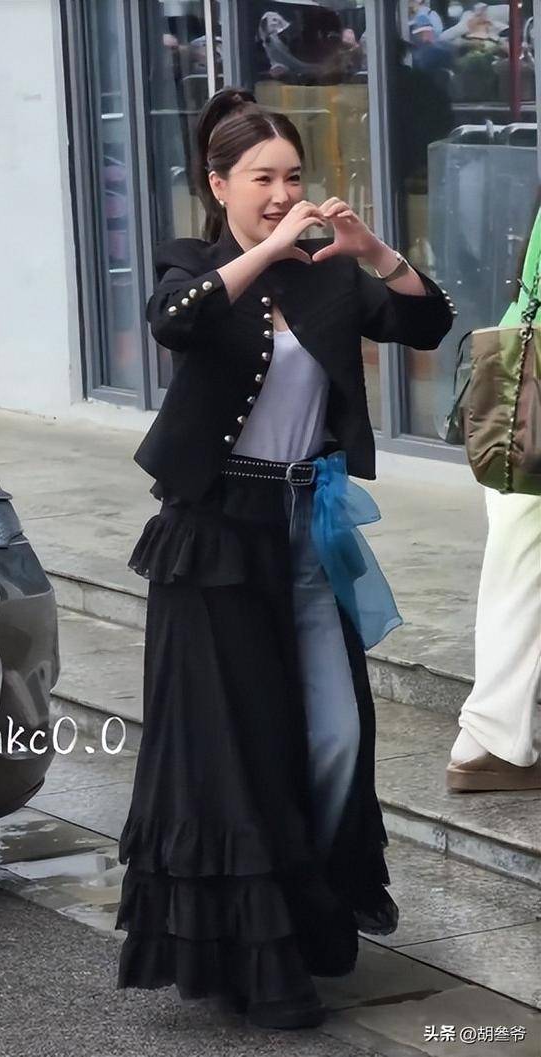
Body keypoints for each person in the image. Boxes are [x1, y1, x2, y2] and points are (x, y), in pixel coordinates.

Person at [115, 87, 454, 1030]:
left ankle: (312, 907)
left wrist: (372, 250)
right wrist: (266, 252)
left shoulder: (330, 275)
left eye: (293, 176)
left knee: (337, 731)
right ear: (218, 183)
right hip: (216, 535)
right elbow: (175, 320)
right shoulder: (194, 264)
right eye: (261, 177)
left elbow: (427, 323)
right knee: (242, 747)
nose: (280, 193)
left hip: (309, 526)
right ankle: (261, 965)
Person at [446, 200, 541, 793]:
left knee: (516, 571)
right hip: (531, 404)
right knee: (521, 576)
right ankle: (491, 739)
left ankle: (489, 739)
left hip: (517, 398)